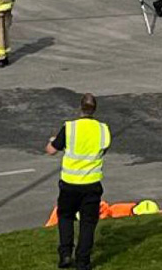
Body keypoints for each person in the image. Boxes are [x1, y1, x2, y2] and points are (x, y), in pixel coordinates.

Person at [46, 93, 111, 270]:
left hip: (69, 183)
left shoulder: (70, 128)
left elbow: (51, 150)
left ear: (80, 108)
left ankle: (66, 254)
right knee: (88, 223)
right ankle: (83, 261)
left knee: (66, 217)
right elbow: (102, 150)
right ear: (95, 110)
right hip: (92, 184)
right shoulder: (103, 130)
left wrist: (52, 140)